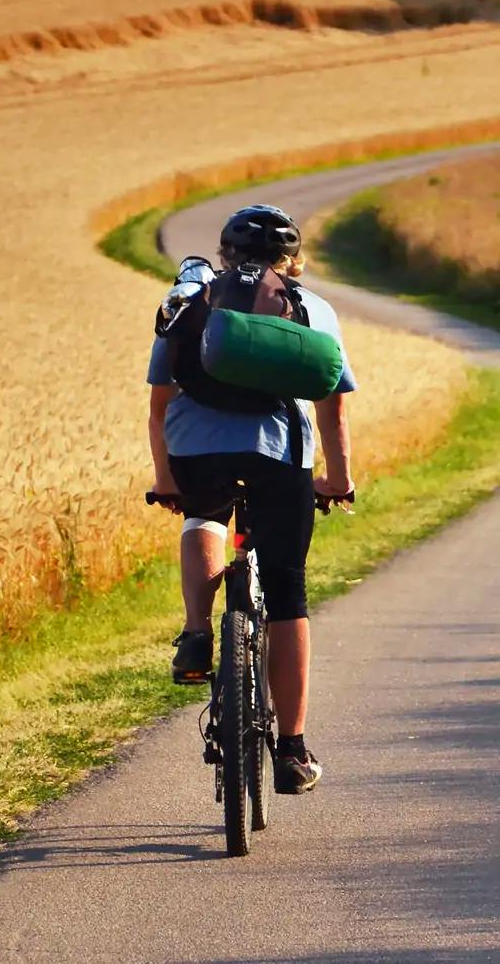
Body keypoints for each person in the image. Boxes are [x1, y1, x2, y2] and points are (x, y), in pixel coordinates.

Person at [146, 204, 356, 794]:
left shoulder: (190, 298)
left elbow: (161, 401)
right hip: (280, 455)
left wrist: (166, 478)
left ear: (223, 254)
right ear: (292, 260)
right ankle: (291, 750)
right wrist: (336, 478)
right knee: (287, 589)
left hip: (195, 450)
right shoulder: (313, 308)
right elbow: (332, 404)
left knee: (203, 517)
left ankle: (196, 633)